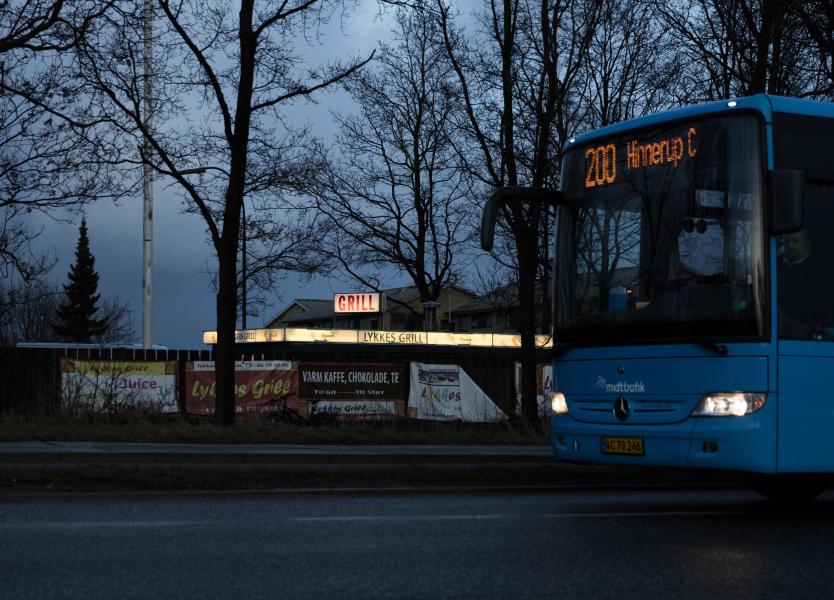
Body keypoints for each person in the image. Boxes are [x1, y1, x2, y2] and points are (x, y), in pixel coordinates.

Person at [778, 228, 834, 339]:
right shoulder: (777, 265)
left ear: (807, 242)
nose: (790, 246)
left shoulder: (821, 269)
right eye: (787, 241)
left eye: (795, 241)